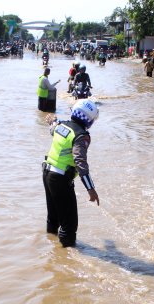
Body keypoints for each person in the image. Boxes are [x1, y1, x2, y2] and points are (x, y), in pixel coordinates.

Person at [42, 100, 100, 247]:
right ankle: (66, 260)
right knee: (69, 226)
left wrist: (53, 120)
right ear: (89, 120)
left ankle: (51, 250)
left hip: (47, 173)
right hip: (60, 180)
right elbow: (80, 162)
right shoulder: (81, 136)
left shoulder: (61, 126)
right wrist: (90, 189)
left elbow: (52, 128)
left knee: (53, 218)